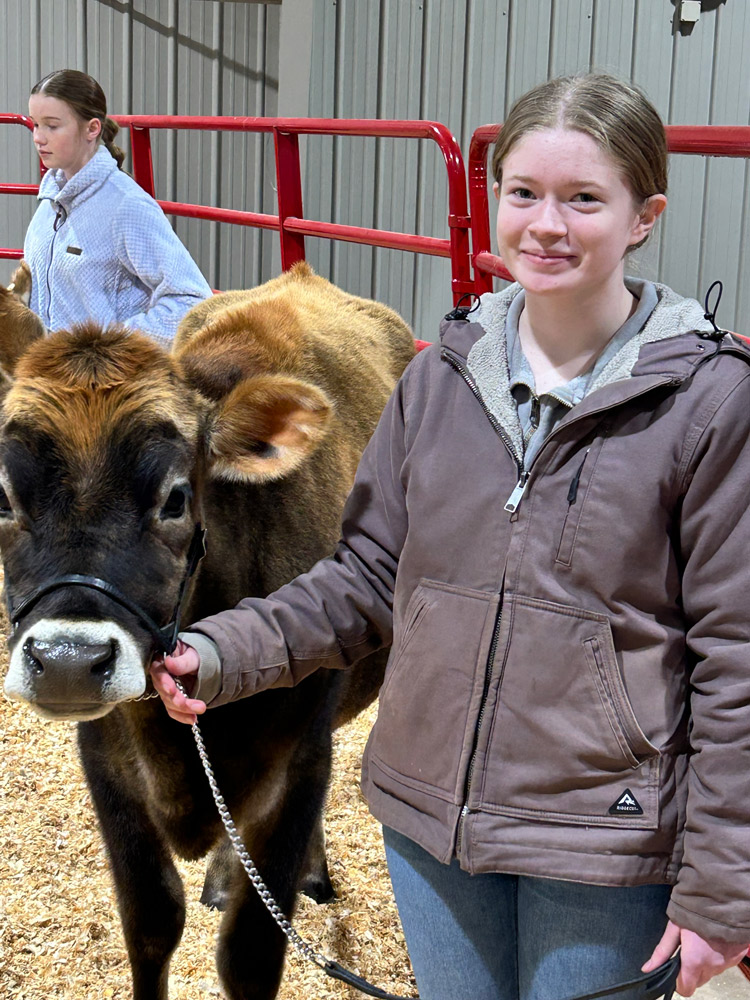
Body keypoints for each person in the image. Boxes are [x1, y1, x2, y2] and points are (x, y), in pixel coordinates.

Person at [151, 73, 750, 999]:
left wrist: (722, 887)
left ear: (644, 217)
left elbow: (736, 655)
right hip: (431, 821)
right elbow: (367, 575)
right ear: (495, 199)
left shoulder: (707, 403)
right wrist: (223, 650)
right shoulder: (441, 380)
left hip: (602, 841)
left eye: (584, 199)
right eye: (524, 192)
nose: (546, 225)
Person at [24, 69, 212, 346]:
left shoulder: (126, 206)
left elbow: (192, 302)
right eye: (35, 124)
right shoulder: (49, 202)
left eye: (51, 126)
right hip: (48, 367)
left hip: (98, 372)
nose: (38, 137)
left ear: (92, 129)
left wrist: (110, 347)